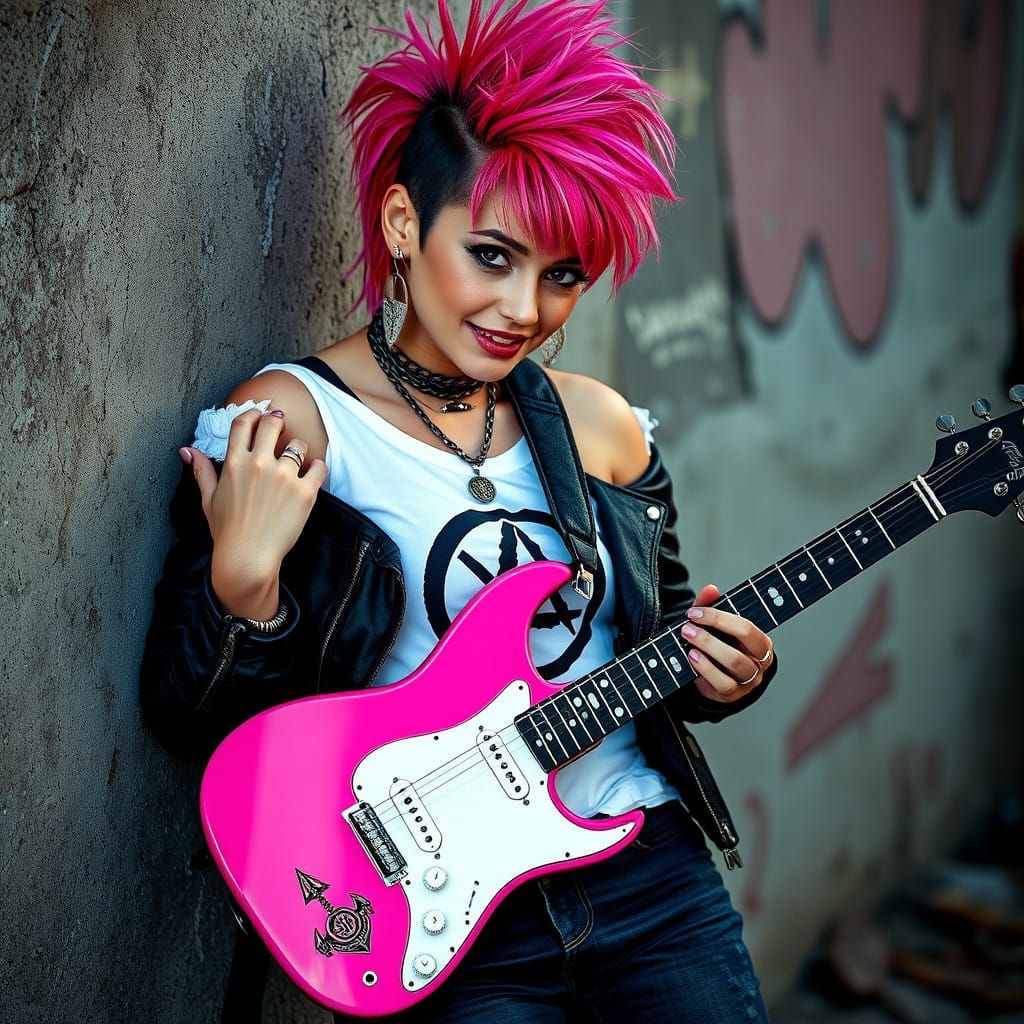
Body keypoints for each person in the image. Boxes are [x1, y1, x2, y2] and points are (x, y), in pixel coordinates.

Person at [140, 1, 778, 1020]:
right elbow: (189, 720)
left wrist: (724, 669)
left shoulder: (600, 426)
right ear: (403, 224)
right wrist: (243, 586)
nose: (524, 308)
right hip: (444, 913)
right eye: (492, 255)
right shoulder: (295, 425)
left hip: (644, 872)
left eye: (561, 273)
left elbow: (656, 644)